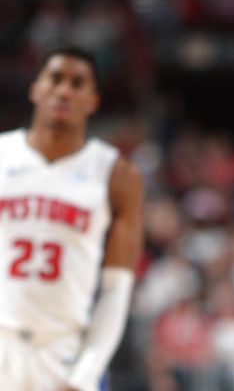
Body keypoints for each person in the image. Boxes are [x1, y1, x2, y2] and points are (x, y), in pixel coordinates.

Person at [0, 46, 144, 391]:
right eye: (55, 79)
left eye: (77, 83)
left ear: (92, 101)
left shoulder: (116, 174)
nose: (64, 90)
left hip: (63, 350)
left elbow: (116, 288)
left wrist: (88, 371)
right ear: (36, 88)